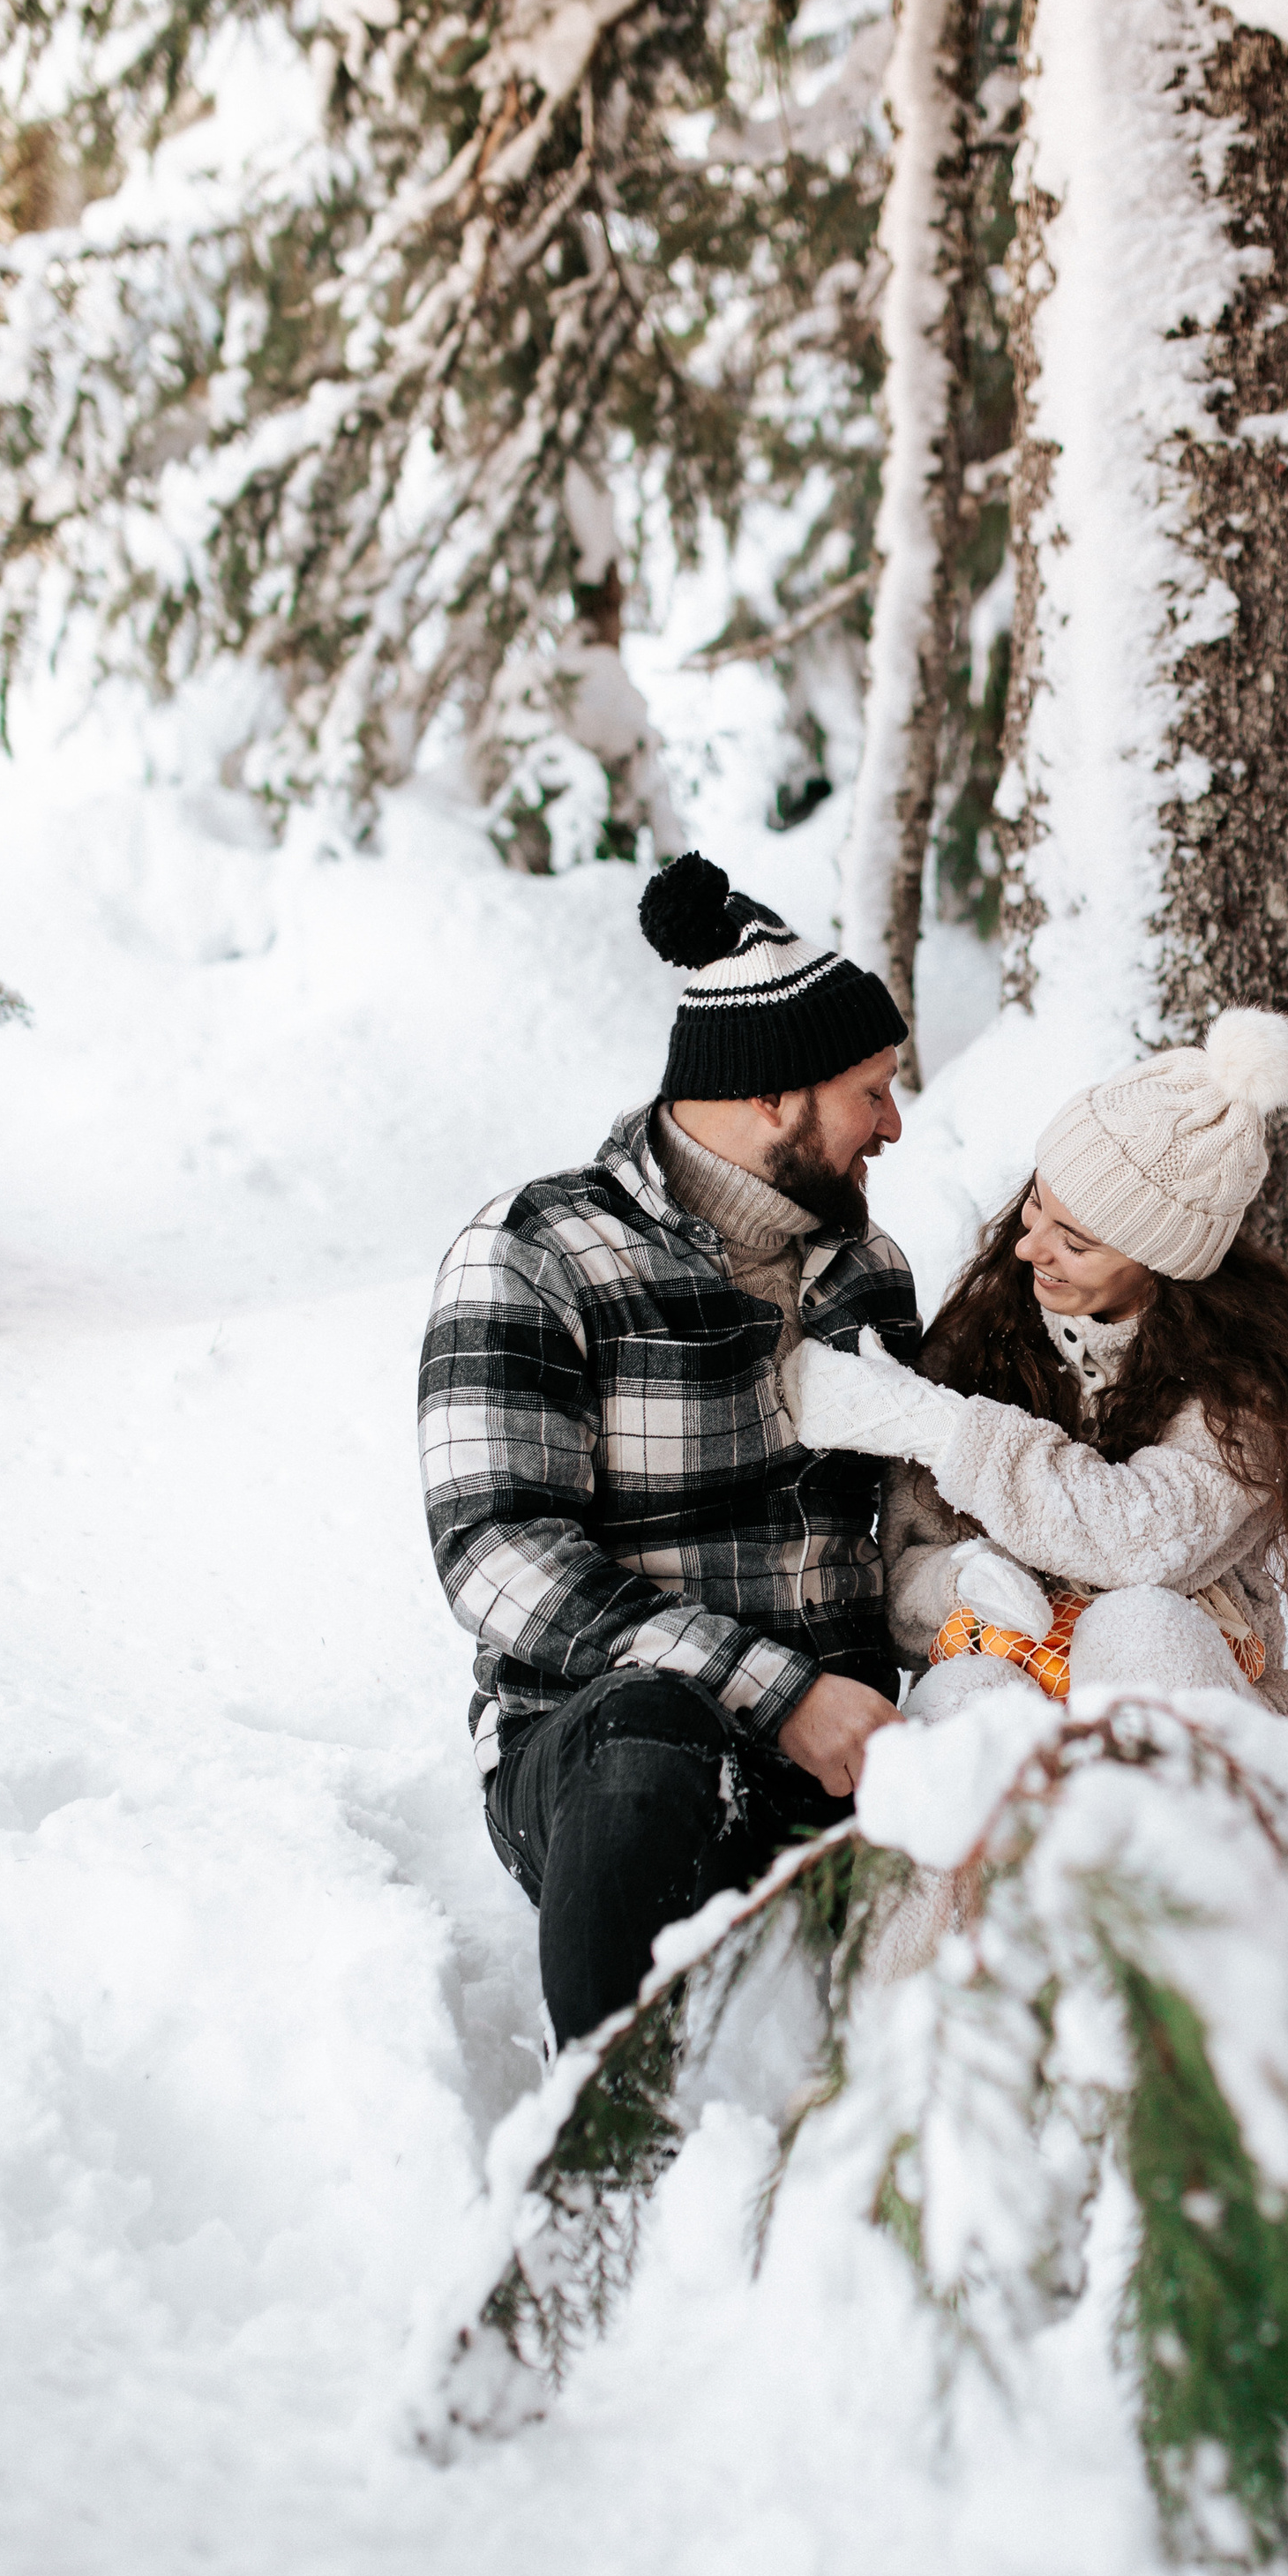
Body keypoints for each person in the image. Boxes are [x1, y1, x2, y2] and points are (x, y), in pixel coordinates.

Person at [417, 854, 918, 2048]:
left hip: (846, 1758)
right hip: (611, 1765)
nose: (894, 1127)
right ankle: (606, 2128)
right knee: (651, 1730)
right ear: (769, 1097)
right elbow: (496, 1555)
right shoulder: (537, 1250)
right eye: (872, 1092)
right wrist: (780, 1694)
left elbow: (913, 1507)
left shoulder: (864, 1266)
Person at [784, 1010, 1288, 1745]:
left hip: (1177, 1659)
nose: (1030, 1245)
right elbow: (905, 1573)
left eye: (1075, 1241)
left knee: (1139, 1624)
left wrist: (943, 1428)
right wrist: (957, 1584)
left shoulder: (1245, 1387)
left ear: (1158, 1260)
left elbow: (1140, 1540)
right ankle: (954, 1854)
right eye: (1036, 1202)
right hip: (1013, 1663)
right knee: (970, 1698)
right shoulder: (981, 1338)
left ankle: (1186, 1846)